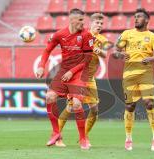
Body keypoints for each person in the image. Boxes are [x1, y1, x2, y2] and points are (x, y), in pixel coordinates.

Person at [35, 8, 94, 150]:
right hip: (64, 71)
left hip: (79, 73)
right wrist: (41, 66)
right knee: (49, 97)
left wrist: (72, 71)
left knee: (76, 104)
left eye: (83, 20)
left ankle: (83, 139)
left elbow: (88, 59)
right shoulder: (60, 34)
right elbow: (47, 50)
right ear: (72, 20)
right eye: (80, 20)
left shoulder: (87, 35)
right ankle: (56, 133)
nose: (82, 23)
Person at [113, 8, 154, 151]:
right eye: (135, 17)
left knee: (149, 103)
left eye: (139, 17)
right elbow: (115, 51)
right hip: (129, 74)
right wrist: (120, 55)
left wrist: (150, 58)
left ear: (146, 20)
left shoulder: (153, 36)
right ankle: (128, 138)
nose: (136, 19)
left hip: (146, 73)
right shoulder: (127, 34)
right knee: (130, 106)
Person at [58, 12, 108, 148]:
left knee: (95, 109)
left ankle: (84, 137)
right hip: (78, 76)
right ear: (90, 23)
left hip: (90, 78)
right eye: (97, 22)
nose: (99, 25)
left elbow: (105, 54)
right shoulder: (82, 35)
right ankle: (57, 136)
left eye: (101, 23)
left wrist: (96, 49)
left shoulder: (102, 39)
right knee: (70, 107)